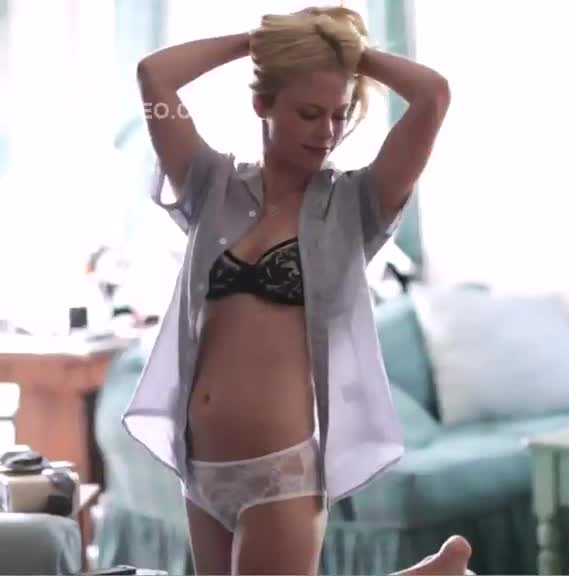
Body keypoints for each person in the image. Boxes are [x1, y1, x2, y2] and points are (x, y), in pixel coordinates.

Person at [124, 4, 467, 575]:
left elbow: (432, 95)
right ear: (262, 104)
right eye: (309, 113)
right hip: (200, 469)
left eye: (338, 115)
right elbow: (153, 79)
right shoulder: (211, 185)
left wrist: (343, 52)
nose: (327, 132)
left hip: (281, 473)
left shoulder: (356, 205)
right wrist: (258, 43)